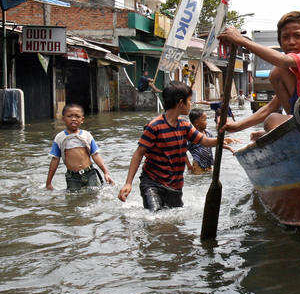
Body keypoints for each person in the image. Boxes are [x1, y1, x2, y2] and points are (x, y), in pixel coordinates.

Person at [217, 11, 300, 136]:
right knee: (277, 74)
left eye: (297, 36)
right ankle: (291, 132)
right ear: (280, 42)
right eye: (285, 37)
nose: (291, 42)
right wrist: (237, 126)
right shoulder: (294, 71)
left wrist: (241, 40)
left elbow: (283, 60)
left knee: (272, 120)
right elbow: (272, 106)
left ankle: (290, 132)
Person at [118, 81, 232, 211]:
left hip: (175, 187)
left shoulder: (185, 126)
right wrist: (128, 183)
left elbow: (204, 141)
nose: (191, 104)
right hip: (152, 184)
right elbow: (139, 153)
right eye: (189, 101)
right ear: (180, 103)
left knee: (173, 224)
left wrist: (222, 138)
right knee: (155, 219)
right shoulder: (154, 126)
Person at [46, 104, 114, 191]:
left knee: (93, 196)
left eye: (77, 116)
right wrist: (48, 183)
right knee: (73, 199)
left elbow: (95, 155)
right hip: (72, 176)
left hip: (89, 173)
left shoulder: (87, 136)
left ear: (82, 120)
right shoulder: (60, 138)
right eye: (70, 116)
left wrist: (106, 172)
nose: (73, 119)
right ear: (63, 119)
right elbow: (55, 160)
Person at [185, 108, 239, 175]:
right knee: (200, 180)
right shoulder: (191, 137)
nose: (206, 122)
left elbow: (216, 143)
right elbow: (182, 151)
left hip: (209, 164)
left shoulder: (208, 133)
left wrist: (230, 149)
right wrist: (189, 166)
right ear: (196, 123)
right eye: (204, 120)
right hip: (198, 165)